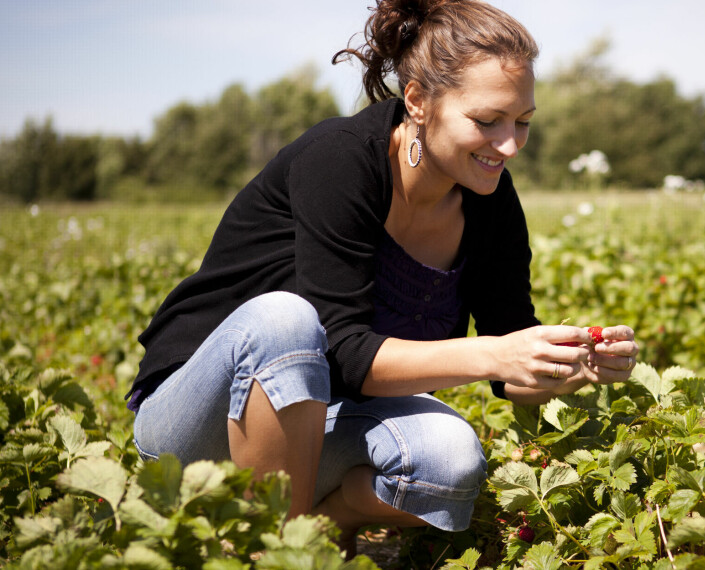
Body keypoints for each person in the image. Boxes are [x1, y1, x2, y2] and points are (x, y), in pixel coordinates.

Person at [125, 0, 638, 553]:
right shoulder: (339, 160)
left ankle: (319, 526)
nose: (509, 144)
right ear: (417, 99)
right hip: (196, 424)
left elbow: (507, 360)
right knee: (285, 318)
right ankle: (278, 555)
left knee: (451, 459)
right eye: (488, 121)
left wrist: (570, 362)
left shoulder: (491, 200)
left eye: (523, 123)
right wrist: (495, 353)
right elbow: (343, 350)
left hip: (320, 425)